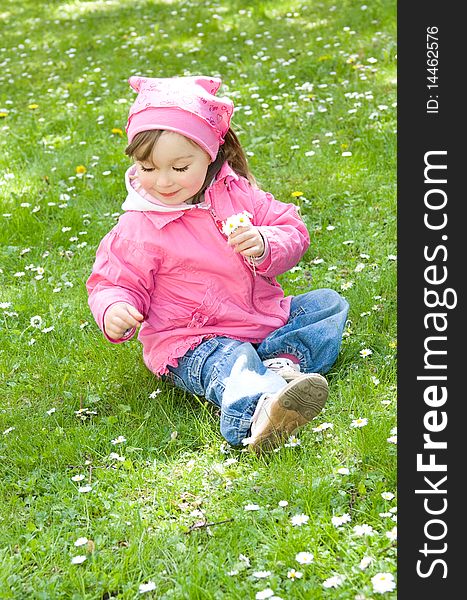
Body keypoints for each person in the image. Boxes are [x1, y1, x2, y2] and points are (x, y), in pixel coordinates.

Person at [86, 75, 349, 451]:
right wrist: (115, 307)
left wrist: (264, 243)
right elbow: (113, 281)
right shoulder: (138, 226)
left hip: (259, 318)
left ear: (210, 153)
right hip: (193, 340)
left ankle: (278, 365)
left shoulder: (237, 194)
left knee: (327, 304)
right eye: (147, 167)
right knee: (232, 360)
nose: (161, 181)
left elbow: (292, 229)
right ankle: (259, 412)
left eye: (178, 168)